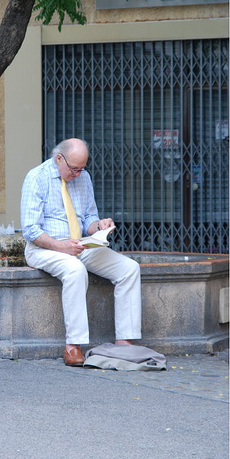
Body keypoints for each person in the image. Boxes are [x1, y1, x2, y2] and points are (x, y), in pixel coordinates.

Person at [20, 138, 142, 366]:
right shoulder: (36, 178)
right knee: (75, 270)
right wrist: (62, 246)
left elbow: (88, 218)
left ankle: (124, 340)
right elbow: (30, 230)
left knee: (129, 268)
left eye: (82, 168)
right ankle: (73, 346)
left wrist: (99, 226)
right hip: (44, 247)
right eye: (74, 169)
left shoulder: (84, 178)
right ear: (59, 159)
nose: (78, 174)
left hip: (80, 244)